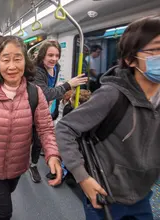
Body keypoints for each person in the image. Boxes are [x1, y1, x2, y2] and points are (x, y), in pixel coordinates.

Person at [56, 15, 160, 219]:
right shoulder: (112, 95)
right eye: (155, 50)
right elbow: (65, 128)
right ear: (130, 59)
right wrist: (82, 177)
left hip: (142, 194)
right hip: (105, 195)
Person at [0, 36, 62, 220]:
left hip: (18, 162)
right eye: (6, 60)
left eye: (17, 59)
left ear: (26, 61)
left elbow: (45, 128)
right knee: (5, 212)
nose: (12, 66)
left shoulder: (34, 93)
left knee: (9, 189)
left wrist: (52, 154)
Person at [29, 40, 88, 183]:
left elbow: (50, 90)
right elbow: (46, 93)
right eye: (50, 55)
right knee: (28, 138)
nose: (54, 59)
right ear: (42, 55)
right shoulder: (37, 71)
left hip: (45, 107)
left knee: (38, 139)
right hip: (31, 107)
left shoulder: (56, 67)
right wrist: (68, 85)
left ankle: (33, 165)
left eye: (57, 55)